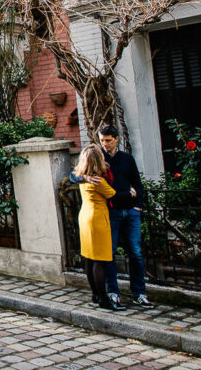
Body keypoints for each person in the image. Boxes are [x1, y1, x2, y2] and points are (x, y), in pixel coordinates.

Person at [72, 124, 154, 309]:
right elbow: (74, 174)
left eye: (108, 140)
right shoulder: (97, 157)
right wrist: (83, 178)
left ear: (117, 139)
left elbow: (137, 184)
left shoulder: (127, 159)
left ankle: (139, 293)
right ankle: (113, 293)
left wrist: (138, 206)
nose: (105, 144)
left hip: (131, 212)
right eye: (102, 141)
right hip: (112, 213)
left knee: (135, 252)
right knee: (108, 255)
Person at [73, 145, 125, 311]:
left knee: (89, 257)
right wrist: (130, 193)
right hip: (97, 219)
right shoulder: (98, 181)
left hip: (85, 216)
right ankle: (103, 299)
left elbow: (73, 175)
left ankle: (95, 294)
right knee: (100, 260)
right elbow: (114, 195)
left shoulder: (82, 177)